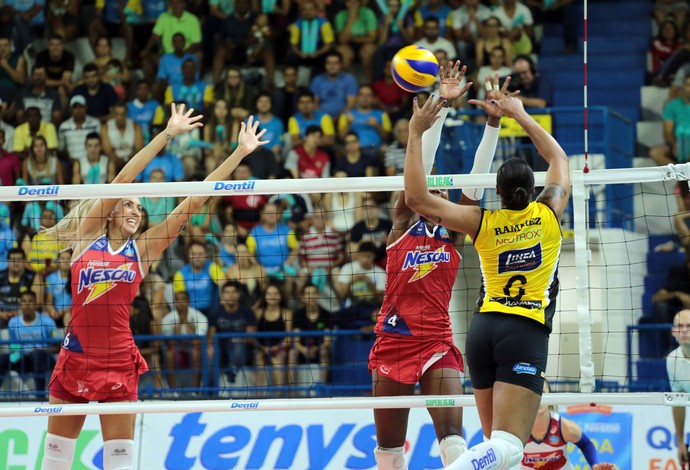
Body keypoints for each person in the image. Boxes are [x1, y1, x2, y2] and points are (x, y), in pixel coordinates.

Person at [38, 104, 268, 470]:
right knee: (55, 462)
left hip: (117, 363)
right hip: (76, 358)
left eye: (140, 209)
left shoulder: (142, 250)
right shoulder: (85, 238)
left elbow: (194, 201)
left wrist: (238, 153)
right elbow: (127, 176)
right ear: (111, 210)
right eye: (127, 204)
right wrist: (168, 134)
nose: (134, 211)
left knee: (119, 463)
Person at [405, 86, 570, 470]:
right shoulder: (549, 213)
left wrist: (416, 132)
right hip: (524, 332)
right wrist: (519, 114)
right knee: (510, 448)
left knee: (495, 453)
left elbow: (416, 199)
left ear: (496, 192)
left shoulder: (482, 221)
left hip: (482, 332)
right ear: (534, 191)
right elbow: (558, 156)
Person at [369, 64, 506, 470]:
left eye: (443, 190)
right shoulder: (400, 228)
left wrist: (493, 126)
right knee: (390, 456)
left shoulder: (456, 232)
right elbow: (418, 175)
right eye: (432, 187)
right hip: (393, 341)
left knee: (454, 445)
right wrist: (440, 107)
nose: (438, 190)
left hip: (436, 344)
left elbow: (477, 181)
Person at [519, 380, 617, 469]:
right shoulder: (516, 429)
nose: (539, 398)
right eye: (534, 392)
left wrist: (594, 464)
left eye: (543, 393)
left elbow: (586, 444)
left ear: (551, 398)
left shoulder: (563, 427)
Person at [667, 308, 690, 468]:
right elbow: (678, 402)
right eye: (680, 326)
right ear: (673, 331)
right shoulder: (672, 360)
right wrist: (680, 443)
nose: (684, 330)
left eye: (689, 326)